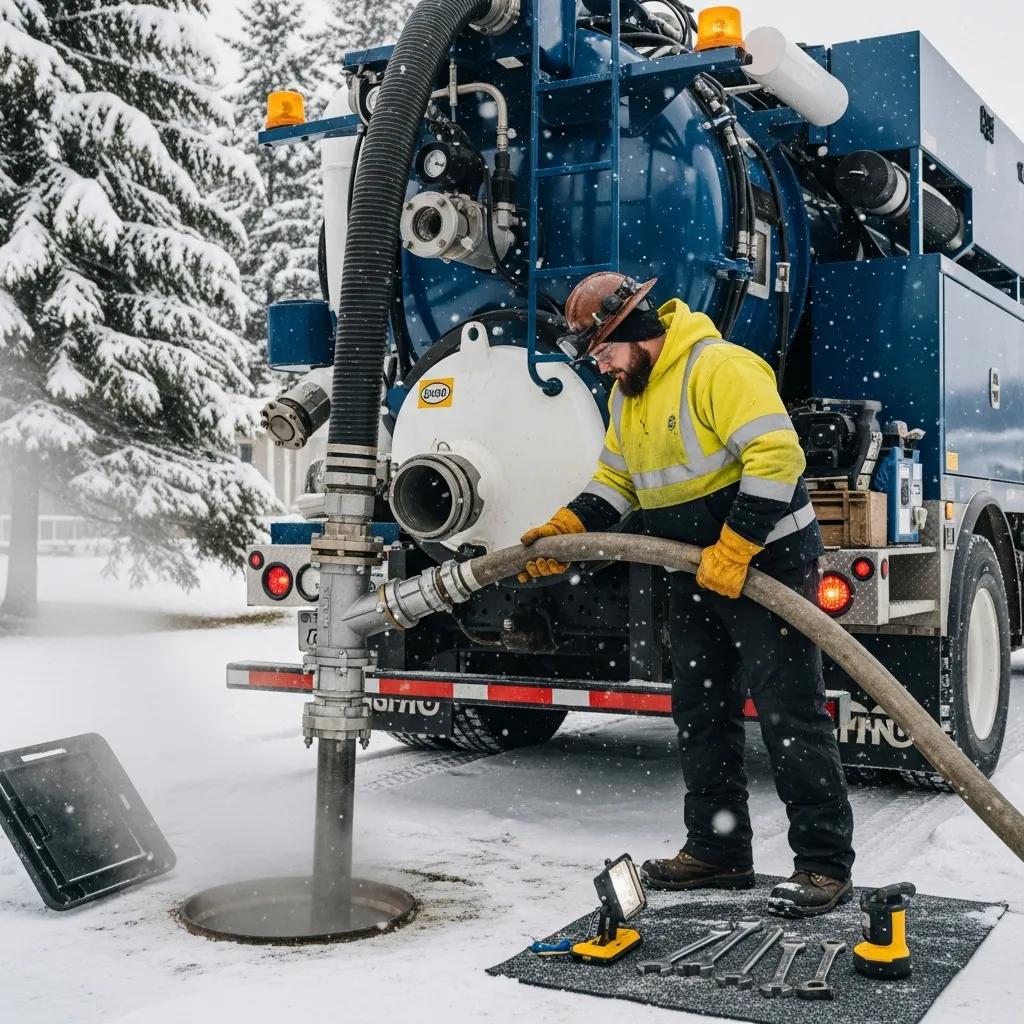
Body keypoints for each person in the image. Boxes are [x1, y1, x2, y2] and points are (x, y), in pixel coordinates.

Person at [519, 272, 855, 917]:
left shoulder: (719, 367)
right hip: (693, 571)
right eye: (596, 359)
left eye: (606, 352)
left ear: (637, 332)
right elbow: (617, 479)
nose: (605, 368)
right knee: (702, 711)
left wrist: (738, 547)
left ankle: (822, 866)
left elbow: (777, 456)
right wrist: (570, 526)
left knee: (790, 714)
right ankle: (718, 852)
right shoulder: (628, 396)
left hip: (768, 563)